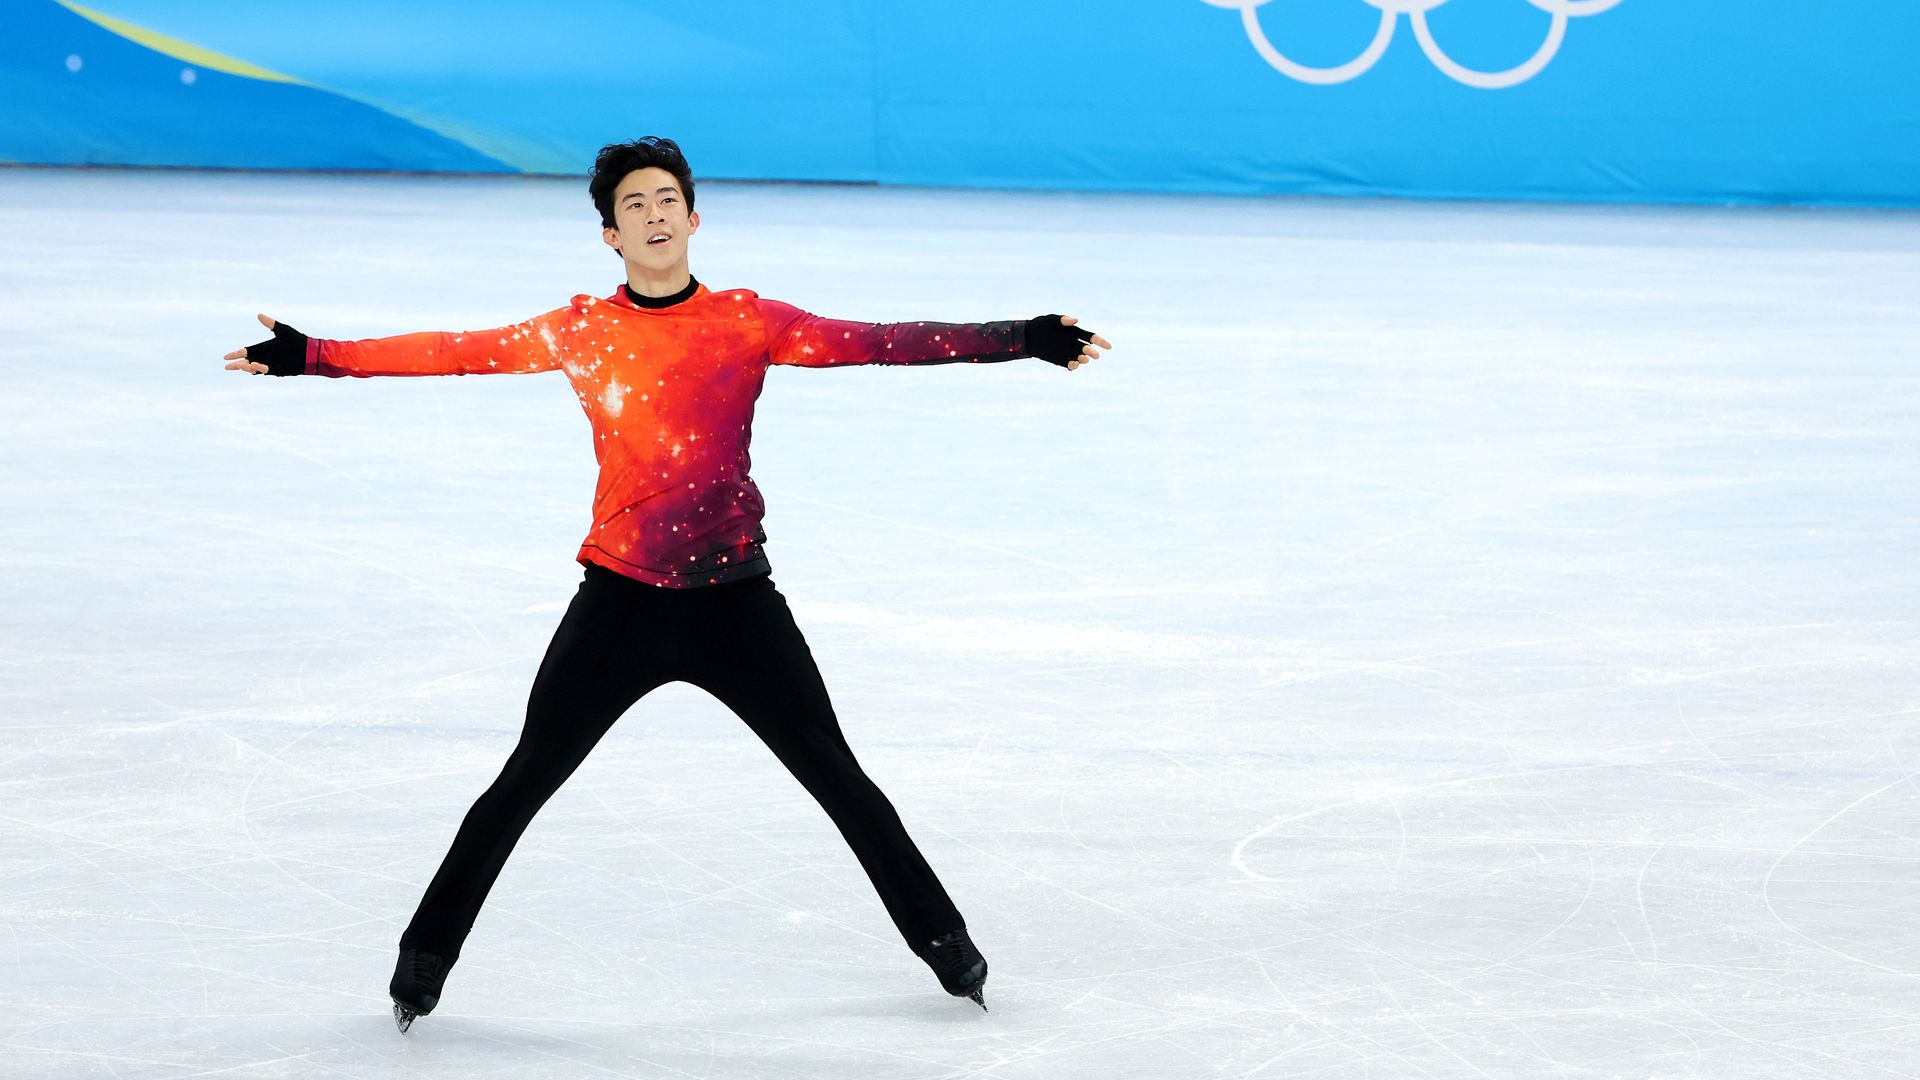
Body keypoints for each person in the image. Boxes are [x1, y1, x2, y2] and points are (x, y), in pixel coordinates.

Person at [223, 136, 1110, 1032]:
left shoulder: (750, 321)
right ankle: (422, 967)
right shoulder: (580, 329)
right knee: (523, 780)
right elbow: (453, 351)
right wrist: (317, 355)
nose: (653, 216)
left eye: (666, 200)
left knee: (837, 776)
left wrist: (1023, 338)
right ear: (610, 235)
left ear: (694, 217)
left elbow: (882, 342)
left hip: (736, 604)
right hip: (619, 602)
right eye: (633, 206)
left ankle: (948, 947)